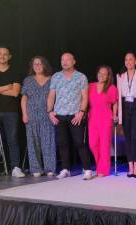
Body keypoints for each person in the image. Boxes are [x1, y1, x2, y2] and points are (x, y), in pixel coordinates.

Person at [47, 52, 92, 180]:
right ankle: (66, 169)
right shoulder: (56, 77)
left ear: (74, 61)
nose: (65, 62)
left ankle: (87, 169)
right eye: (62, 60)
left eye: (68, 60)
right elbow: (51, 95)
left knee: (79, 142)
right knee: (62, 143)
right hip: (59, 114)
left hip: (75, 115)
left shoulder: (81, 77)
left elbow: (85, 97)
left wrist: (82, 112)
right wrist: (49, 111)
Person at [0, 46, 25, 179]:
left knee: (13, 139)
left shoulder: (15, 71)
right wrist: (6, 87)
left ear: (9, 56)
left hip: (11, 111)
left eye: (5, 54)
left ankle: (16, 168)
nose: (2, 56)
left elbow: (15, 93)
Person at [21, 56, 56, 177]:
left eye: (40, 64)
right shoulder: (28, 80)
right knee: (32, 142)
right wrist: (24, 114)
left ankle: (49, 168)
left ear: (45, 65)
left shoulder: (53, 79)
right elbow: (24, 98)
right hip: (31, 115)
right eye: (35, 64)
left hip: (47, 115)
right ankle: (36, 168)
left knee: (48, 141)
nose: (37, 66)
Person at [88, 66, 118, 177]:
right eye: (100, 73)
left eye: (104, 74)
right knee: (93, 144)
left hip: (106, 118)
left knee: (105, 145)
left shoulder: (111, 88)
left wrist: (115, 115)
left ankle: (103, 169)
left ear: (108, 76)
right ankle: (99, 165)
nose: (101, 75)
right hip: (93, 118)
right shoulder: (90, 86)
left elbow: (114, 102)